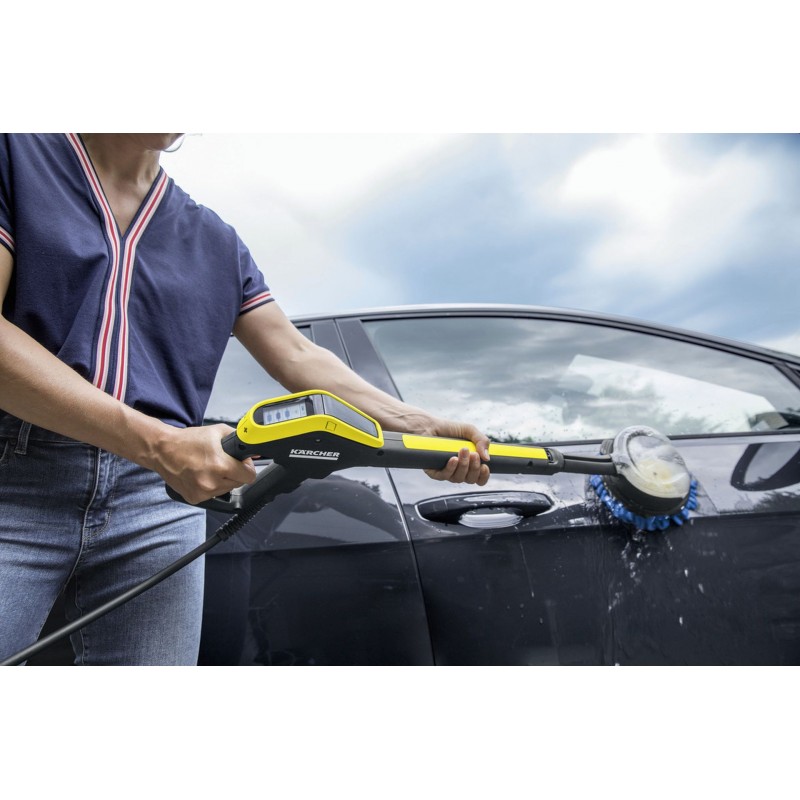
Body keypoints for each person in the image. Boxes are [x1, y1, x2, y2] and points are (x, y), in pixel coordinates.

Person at [0, 133, 490, 666]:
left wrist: (414, 423)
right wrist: (157, 443)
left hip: (158, 504)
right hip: (17, 479)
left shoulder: (216, 241)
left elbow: (297, 354)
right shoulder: (17, 158)